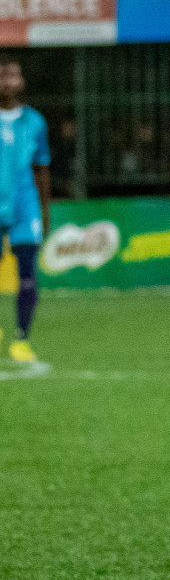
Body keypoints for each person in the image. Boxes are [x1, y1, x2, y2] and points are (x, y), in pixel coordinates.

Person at [0, 56, 50, 364]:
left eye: (12, 75)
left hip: (24, 205)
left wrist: (44, 210)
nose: (7, 80)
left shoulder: (35, 122)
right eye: (2, 75)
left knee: (28, 273)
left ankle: (21, 339)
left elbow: (42, 168)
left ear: (22, 81)